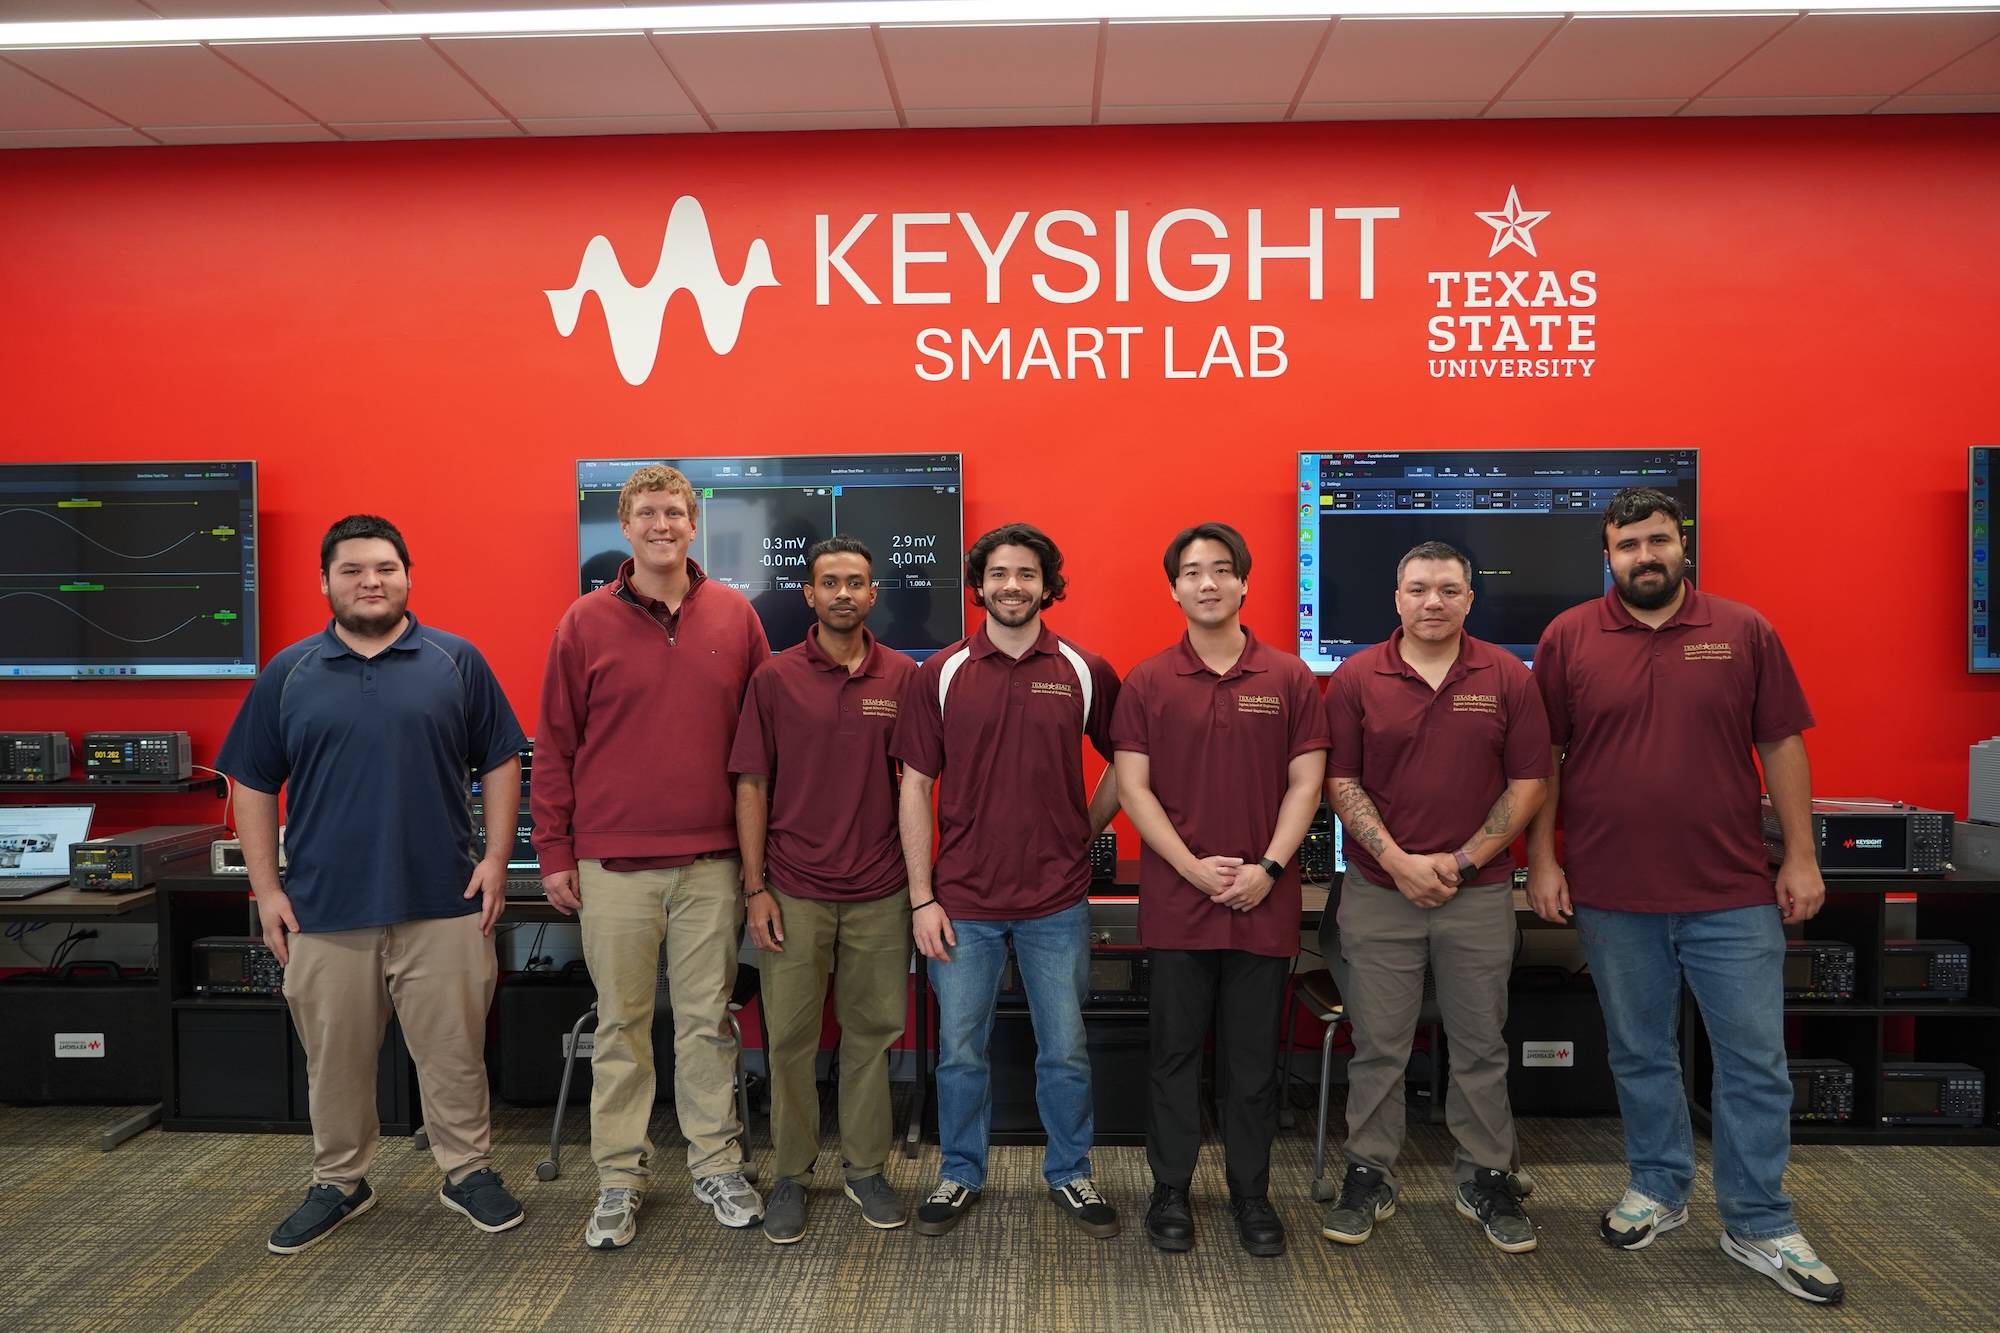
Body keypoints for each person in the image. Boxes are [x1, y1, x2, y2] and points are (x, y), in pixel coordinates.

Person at [1526, 488, 1842, 1304]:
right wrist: (1543, 859)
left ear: (1682, 545)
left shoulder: (1742, 630)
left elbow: (1780, 743)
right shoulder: (1569, 637)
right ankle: (1659, 1188)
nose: (1644, 556)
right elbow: (1545, 760)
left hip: (1731, 890)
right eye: (1627, 545)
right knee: (1638, 1052)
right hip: (1610, 890)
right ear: (1609, 555)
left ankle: (1759, 1220)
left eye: (1658, 540)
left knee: (1753, 1062)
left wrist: (1801, 857)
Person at [218, 514, 528, 1254]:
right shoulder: (288, 672)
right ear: (325, 582)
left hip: (442, 900)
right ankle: (340, 1180)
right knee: (334, 1060)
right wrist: (267, 890)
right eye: (353, 569)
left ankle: (467, 1171)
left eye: (385, 567)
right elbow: (253, 781)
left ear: (408, 576)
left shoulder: (456, 661)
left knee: (455, 1052)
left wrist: (494, 857)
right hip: (326, 907)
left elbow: (501, 758)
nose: (370, 581)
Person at [534, 464, 770, 1250]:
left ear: (693, 524)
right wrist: (556, 851)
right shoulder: (582, 622)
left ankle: (715, 1162)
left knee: (707, 1022)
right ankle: (620, 1176)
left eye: (675, 511)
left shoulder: (736, 615)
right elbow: (557, 747)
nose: (662, 523)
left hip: (711, 863)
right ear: (625, 527)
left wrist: (758, 857)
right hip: (613, 865)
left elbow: (763, 745)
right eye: (646, 512)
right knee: (622, 1027)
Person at [892, 522, 1123, 1239]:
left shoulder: (1086, 669)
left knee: (1066, 1048)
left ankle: (1072, 1173)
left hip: (1057, 903)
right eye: (999, 573)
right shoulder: (942, 671)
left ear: (1047, 583)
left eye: (1027, 573)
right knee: (961, 1051)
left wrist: (1081, 832)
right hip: (963, 902)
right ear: (979, 585)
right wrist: (922, 897)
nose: (1012, 585)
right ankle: (960, 1172)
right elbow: (914, 785)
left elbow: (1129, 764)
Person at [1320, 540, 1550, 1253]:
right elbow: (1340, 781)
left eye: (1449, 590)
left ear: (1469, 600)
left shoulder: (1508, 676)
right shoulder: (1357, 676)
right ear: (1397, 597)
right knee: (1379, 1046)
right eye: (1418, 588)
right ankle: (1368, 1172)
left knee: (1481, 1045)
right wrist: (1397, 860)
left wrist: (1460, 858)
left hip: (1477, 892)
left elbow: (1530, 783)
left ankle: (1485, 1175)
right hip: (1379, 890)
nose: (1432, 602)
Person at [1111, 523, 1328, 1258]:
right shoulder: (1147, 680)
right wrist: (1192, 867)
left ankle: (1251, 1193)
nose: (1208, 583)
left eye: (1222, 570)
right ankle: (1170, 1189)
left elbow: (1308, 781)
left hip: (1264, 901)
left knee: (1252, 1061)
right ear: (1174, 587)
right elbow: (1133, 789)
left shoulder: (1289, 676)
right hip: (1179, 902)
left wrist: (1267, 866)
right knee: (1172, 1055)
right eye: (1193, 572)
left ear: (1244, 582)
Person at [730, 536, 918, 1244]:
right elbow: (751, 783)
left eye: (857, 582)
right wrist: (756, 888)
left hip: (880, 890)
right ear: (808, 595)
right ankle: (792, 1172)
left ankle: (866, 1168)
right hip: (794, 891)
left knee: (872, 1036)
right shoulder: (774, 679)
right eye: (829, 582)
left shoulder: (904, 676)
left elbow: (921, 788)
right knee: (790, 1040)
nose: (843, 592)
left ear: (874, 595)